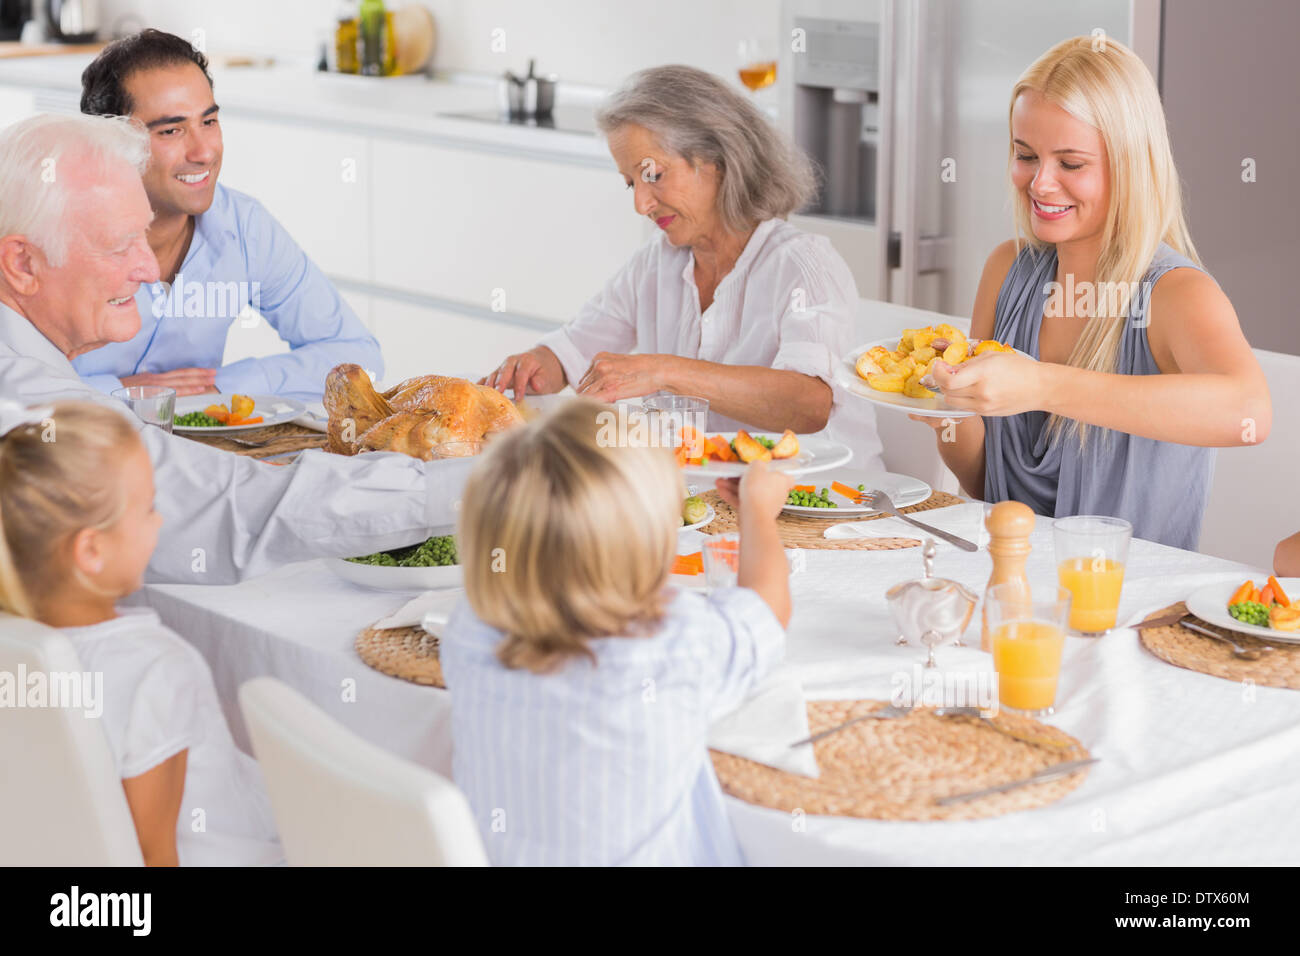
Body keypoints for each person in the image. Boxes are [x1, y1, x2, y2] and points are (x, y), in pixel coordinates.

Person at [0, 112, 472, 585]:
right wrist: (477, 487)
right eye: (120, 245)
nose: (148, 270)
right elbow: (233, 508)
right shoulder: (29, 401)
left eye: (143, 235)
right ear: (22, 263)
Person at [912, 37, 1270, 549]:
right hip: (1010, 581)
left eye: (1071, 164)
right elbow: (983, 482)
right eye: (1025, 155)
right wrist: (950, 412)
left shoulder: (1176, 294)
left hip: (1132, 606)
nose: (1039, 184)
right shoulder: (1006, 269)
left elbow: (1249, 412)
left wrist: (1042, 385)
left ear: (1130, 165)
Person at [439, 398, 792, 865]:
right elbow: (768, 606)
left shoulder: (469, 630)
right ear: (654, 543)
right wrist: (759, 512)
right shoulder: (673, 640)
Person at [483, 65, 883, 474]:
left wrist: (664, 371)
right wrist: (534, 367)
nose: (641, 204)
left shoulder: (803, 266)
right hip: (720, 507)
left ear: (718, 160)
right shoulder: (655, 265)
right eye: (630, 184)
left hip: (831, 509)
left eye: (652, 174)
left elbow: (808, 404)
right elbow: (570, 351)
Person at [0, 399, 282, 866]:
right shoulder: (155, 668)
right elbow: (154, 856)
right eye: (148, 508)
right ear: (91, 549)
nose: (160, 521)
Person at [72, 29, 382, 401]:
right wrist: (117, 392)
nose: (204, 152)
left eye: (208, 122)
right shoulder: (50, 236)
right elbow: (11, 384)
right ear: (109, 143)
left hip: (198, 450)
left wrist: (222, 386)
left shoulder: (243, 226)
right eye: (171, 130)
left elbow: (357, 356)